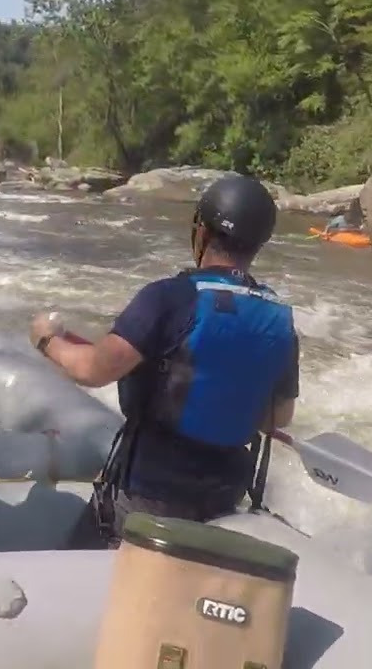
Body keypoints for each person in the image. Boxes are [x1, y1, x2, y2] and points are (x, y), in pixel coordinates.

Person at [29, 175, 299, 545]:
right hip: (223, 499)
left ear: (201, 231)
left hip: (148, 495)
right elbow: (279, 416)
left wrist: (46, 340)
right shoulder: (279, 319)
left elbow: (92, 369)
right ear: (257, 245)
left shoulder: (170, 298)